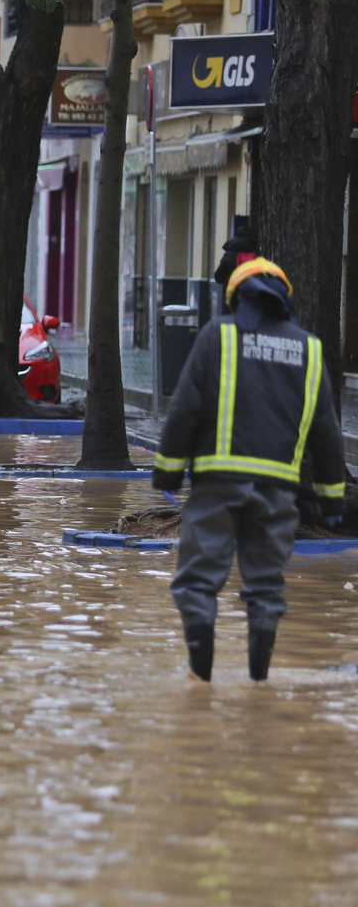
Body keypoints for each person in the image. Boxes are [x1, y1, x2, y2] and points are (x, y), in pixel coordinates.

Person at [153, 258, 346, 682]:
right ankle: (259, 678)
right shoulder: (310, 350)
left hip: (216, 485)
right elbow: (327, 433)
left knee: (198, 580)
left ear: (235, 296)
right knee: (265, 585)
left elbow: (184, 409)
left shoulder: (215, 336)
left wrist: (167, 472)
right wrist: (332, 500)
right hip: (278, 491)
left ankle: (200, 677)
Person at [213, 215, 258, 288]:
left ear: (236, 237)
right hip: (252, 292)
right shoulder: (257, 254)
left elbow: (218, 277)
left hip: (234, 292)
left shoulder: (229, 255)